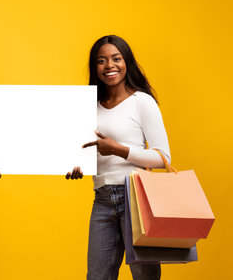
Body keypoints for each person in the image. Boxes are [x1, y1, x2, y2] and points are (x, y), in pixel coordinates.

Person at [66, 35, 171, 280]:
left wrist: (119, 149)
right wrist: (75, 166)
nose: (109, 65)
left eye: (116, 58)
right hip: (102, 198)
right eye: (101, 61)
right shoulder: (88, 106)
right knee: (97, 276)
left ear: (127, 62)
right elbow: (88, 151)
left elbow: (163, 158)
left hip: (136, 196)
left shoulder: (141, 102)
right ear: (95, 67)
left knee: (145, 275)